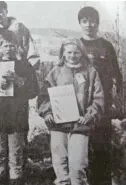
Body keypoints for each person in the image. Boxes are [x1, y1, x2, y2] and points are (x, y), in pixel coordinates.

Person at [37, 38, 104, 185]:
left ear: (81, 53)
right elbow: (43, 97)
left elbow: (98, 99)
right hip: (58, 126)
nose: (72, 55)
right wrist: (48, 113)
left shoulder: (91, 73)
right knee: (60, 166)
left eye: (76, 52)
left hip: (80, 126)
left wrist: (89, 115)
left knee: (78, 167)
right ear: (63, 53)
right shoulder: (54, 72)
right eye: (69, 52)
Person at [0, 30, 39, 185]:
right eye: (5, 45)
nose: (8, 49)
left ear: (17, 46)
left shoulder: (25, 66)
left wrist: (20, 81)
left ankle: (15, 180)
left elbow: (34, 91)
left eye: (12, 45)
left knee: (16, 154)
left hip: (17, 117)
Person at [78, 7, 123, 185]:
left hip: (103, 105)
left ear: (97, 22)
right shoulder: (76, 45)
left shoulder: (106, 46)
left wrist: (115, 101)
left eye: (92, 21)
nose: (89, 25)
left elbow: (117, 76)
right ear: (80, 23)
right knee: (83, 148)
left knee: (102, 146)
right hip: (82, 104)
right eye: (85, 21)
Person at [0, 1, 40, 69]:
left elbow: (31, 49)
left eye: (0, 12)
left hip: (19, 68)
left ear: (6, 11)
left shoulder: (20, 29)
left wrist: (32, 66)